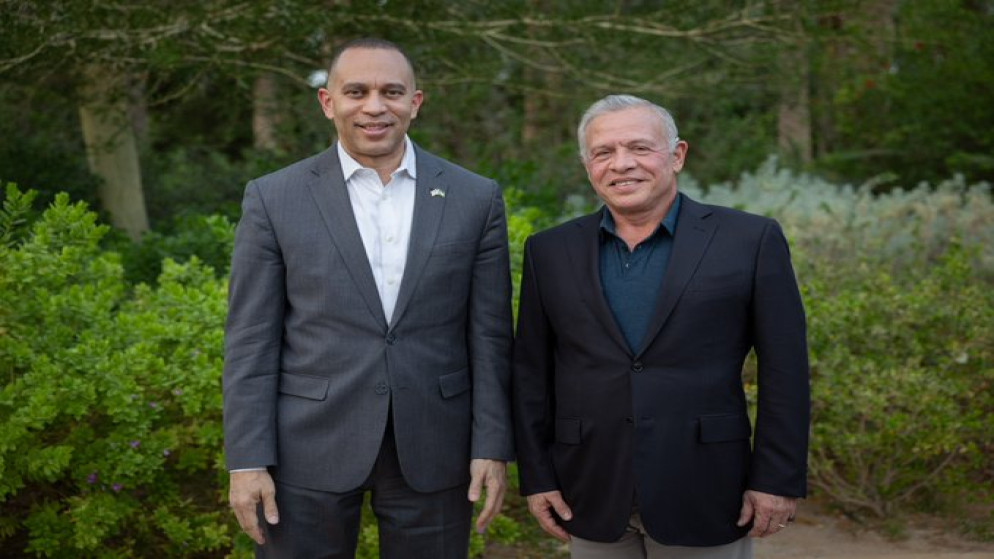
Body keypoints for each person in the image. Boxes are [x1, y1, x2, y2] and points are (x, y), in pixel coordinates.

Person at [222, 38, 514, 559]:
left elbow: (490, 336)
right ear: (328, 101)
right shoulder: (273, 197)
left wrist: (491, 445)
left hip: (435, 446)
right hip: (306, 448)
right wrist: (247, 460)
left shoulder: (476, 197)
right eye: (356, 91)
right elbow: (250, 340)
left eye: (391, 92)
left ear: (415, 102)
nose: (374, 106)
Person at [511, 94, 810, 559]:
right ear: (587, 165)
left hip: (708, 488)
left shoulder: (750, 240)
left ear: (677, 155)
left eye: (639, 148)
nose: (621, 164)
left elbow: (785, 370)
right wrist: (537, 477)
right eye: (603, 152)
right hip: (587, 489)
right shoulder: (548, 251)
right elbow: (531, 374)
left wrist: (776, 479)